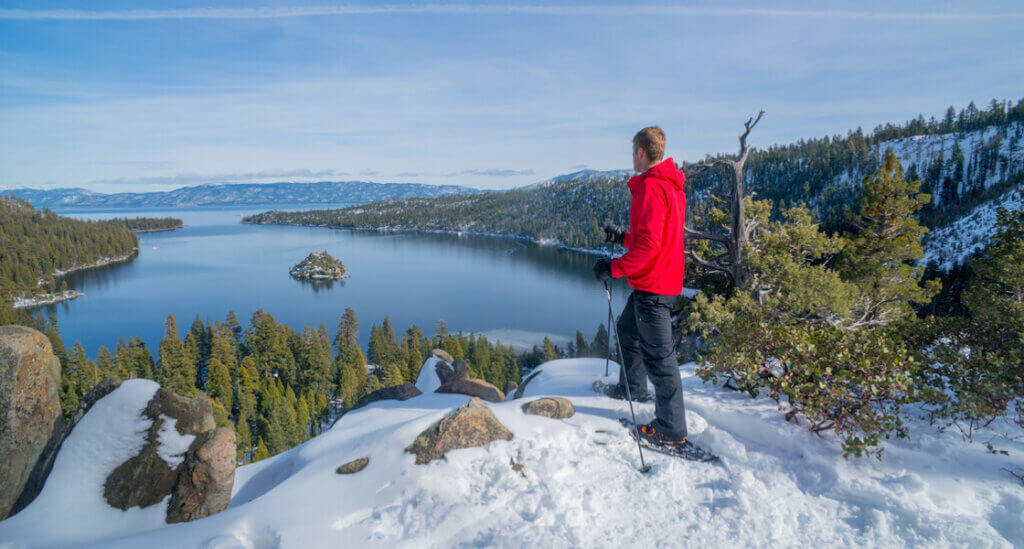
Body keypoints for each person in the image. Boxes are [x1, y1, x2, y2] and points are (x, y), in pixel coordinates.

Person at [593, 125, 688, 446]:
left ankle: (671, 430)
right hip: (660, 280)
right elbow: (653, 239)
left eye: (632, 151)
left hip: (654, 287)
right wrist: (623, 238)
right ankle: (632, 389)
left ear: (640, 152)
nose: (631, 156)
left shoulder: (651, 188)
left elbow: (648, 248)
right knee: (627, 332)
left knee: (660, 360)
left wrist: (613, 268)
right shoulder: (671, 185)